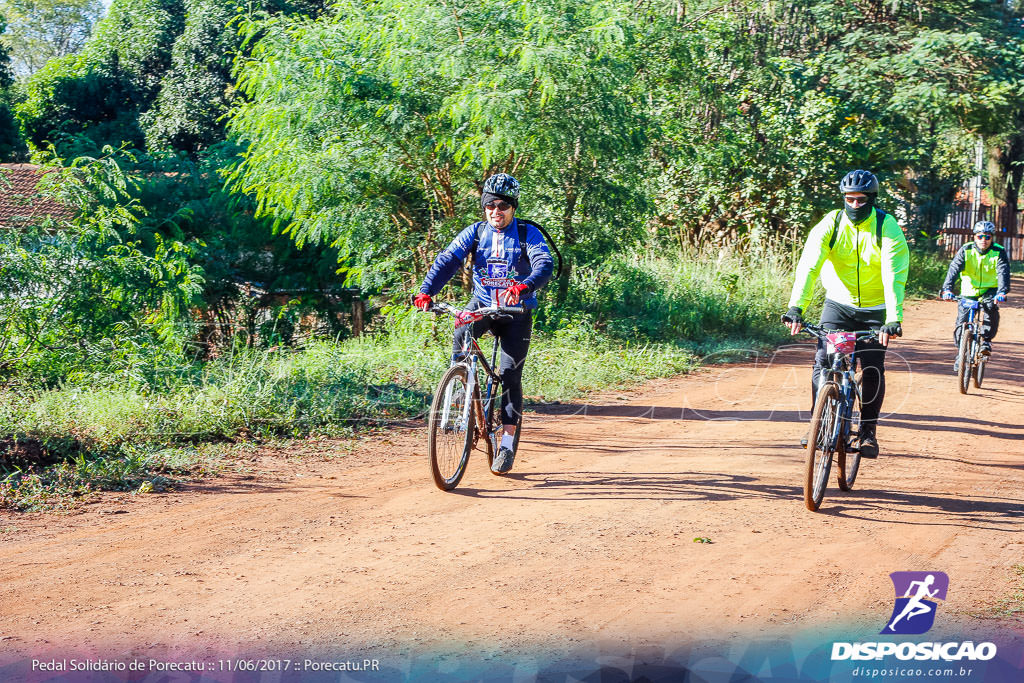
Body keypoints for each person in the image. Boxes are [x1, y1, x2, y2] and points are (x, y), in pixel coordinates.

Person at [413, 173, 553, 473]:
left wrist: (524, 286)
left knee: (509, 375)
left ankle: (506, 442)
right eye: (490, 205)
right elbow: (447, 261)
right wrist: (426, 290)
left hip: (516, 310)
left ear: (513, 207)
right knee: (462, 328)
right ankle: (461, 389)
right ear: (484, 206)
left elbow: (545, 264)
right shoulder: (475, 233)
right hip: (483, 303)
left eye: (503, 205)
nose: (496, 211)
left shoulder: (528, 233)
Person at [781, 170, 910, 459]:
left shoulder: (886, 226)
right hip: (838, 306)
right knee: (824, 363)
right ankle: (819, 422)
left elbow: (894, 275)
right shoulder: (832, 222)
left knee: (873, 367)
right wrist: (796, 307)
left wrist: (893, 318)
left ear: (872, 200)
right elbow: (809, 265)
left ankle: (867, 432)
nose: (853, 205)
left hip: (877, 310)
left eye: (860, 200)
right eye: (849, 199)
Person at [940, 220, 1010, 362]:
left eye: (987, 237)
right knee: (962, 322)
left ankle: (986, 341)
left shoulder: (999, 251)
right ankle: (961, 352)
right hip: (969, 290)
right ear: (974, 237)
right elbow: (953, 269)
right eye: (980, 237)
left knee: (991, 308)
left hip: (990, 289)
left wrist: (1002, 292)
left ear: (992, 238)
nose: (983, 240)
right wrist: (947, 289)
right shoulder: (966, 250)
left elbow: (1003, 272)